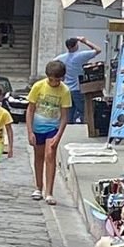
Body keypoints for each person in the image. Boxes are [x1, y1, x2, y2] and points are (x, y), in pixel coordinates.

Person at [26, 59, 71, 205]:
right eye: (51, 79)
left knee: (50, 155)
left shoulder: (64, 91)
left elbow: (64, 116)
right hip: (38, 126)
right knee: (38, 157)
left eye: (56, 80)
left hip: (53, 127)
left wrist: (58, 135)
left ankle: (49, 192)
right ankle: (38, 187)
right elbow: (30, 109)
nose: (53, 83)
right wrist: (30, 131)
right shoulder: (38, 86)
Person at [55, 35, 101, 124]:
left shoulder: (61, 58)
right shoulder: (81, 56)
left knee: (69, 114)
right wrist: (85, 41)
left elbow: (52, 64)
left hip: (66, 89)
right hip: (78, 88)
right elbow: (98, 50)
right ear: (76, 45)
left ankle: (68, 131)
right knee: (84, 112)